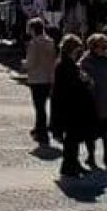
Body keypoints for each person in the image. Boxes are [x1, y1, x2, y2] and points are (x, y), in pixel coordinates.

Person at [51, 34, 97, 177]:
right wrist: (85, 81)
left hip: (70, 107)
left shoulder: (67, 64)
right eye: (77, 50)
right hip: (70, 108)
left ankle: (74, 163)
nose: (79, 53)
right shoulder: (65, 65)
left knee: (73, 139)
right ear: (72, 50)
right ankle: (69, 166)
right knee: (71, 139)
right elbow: (72, 86)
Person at [24, 17, 57, 146]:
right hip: (48, 78)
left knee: (39, 107)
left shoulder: (34, 44)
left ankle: (41, 131)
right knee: (43, 105)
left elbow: (31, 62)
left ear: (33, 29)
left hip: (37, 78)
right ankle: (38, 128)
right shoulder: (50, 42)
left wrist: (24, 64)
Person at [79, 33, 107, 170]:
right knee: (91, 134)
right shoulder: (86, 61)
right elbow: (83, 81)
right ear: (94, 47)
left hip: (105, 103)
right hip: (92, 104)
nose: (105, 49)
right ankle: (91, 157)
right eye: (102, 46)